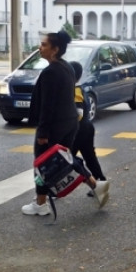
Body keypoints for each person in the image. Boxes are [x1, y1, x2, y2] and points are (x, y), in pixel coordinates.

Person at [23, 31, 109, 216]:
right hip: (70, 123)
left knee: (42, 164)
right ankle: (95, 184)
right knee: (66, 160)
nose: (40, 47)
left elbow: (48, 104)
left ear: (55, 49)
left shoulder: (50, 72)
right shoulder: (66, 67)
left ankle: (40, 204)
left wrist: (43, 132)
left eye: (44, 45)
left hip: (54, 126)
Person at [68, 61, 109, 203]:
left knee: (67, 159)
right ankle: (101, 181)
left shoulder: (74, 91)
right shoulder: (79, 88)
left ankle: (94, 183)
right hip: (86, 128)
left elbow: (78, 113)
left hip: (79, 130)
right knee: (89, 157)